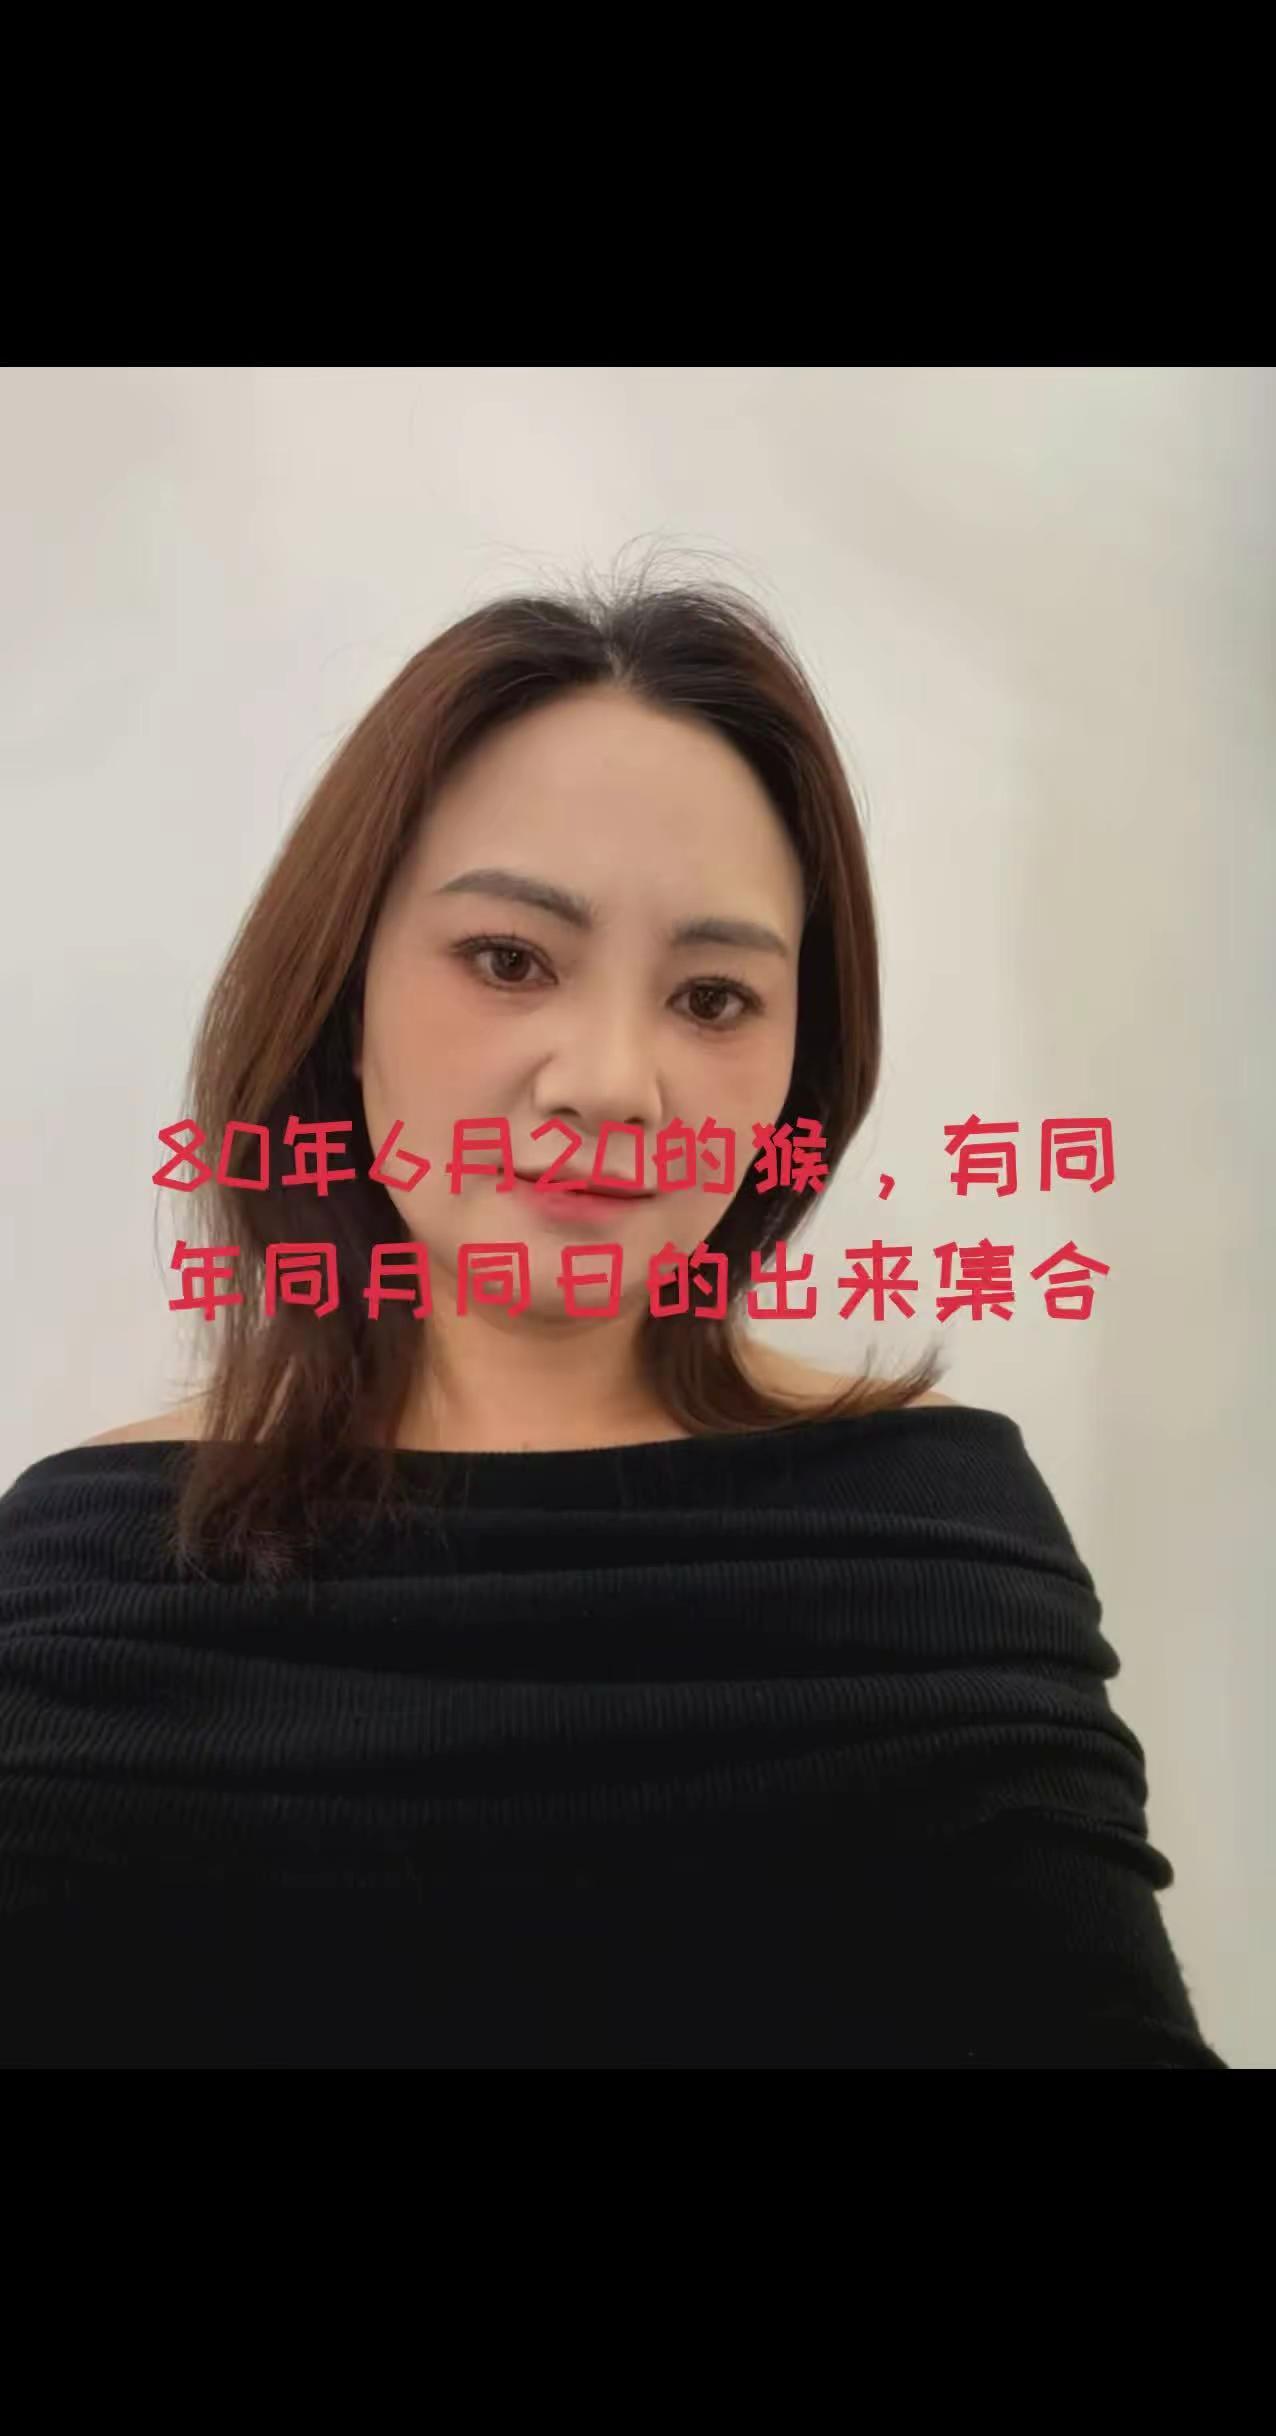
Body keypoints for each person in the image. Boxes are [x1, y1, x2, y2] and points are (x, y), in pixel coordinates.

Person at [0, 556, 1226, 2067]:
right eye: (509, 960)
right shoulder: (85, 1569)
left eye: (712, 998)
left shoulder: (939, 1538)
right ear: (344, 1002)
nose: (611, 1084)